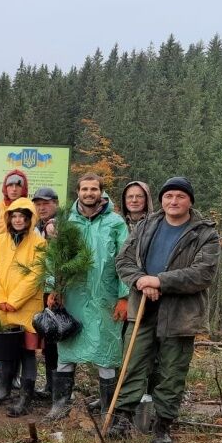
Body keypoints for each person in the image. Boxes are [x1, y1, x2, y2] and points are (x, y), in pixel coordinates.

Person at [111, 177, 220, 443]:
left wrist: (159, 281)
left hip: (181, 314)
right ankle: (123, 417)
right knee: (133, 362)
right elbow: (123, 260)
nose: (173, 201)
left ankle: (163, 424)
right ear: (161, 199)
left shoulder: (204, 233)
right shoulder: (146, 226)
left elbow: (203, 274)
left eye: (180, 197)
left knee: (172, 370)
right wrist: (139, 281)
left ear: (190, 201)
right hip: (143, 308)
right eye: (169, 196)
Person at [46, 174, 130, 421]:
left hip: (105, 298)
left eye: (94, 189)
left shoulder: (116, 223)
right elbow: (55, 257)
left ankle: (108, 409)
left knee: (106, 352)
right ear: (78, 192)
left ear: (102, 193)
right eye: (85, 189)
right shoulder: (67, 222)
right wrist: (54, 287)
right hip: (71, 296)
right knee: (67, 348)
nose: (89, 193)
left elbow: (125, 261)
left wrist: (124, 296)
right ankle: (60, 405)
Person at [0, 198, 47, 416]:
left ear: (30, 219)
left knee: (27, 353)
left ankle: (25, 397)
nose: (18, 220)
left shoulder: (38, 243)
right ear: (9, 218)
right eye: (14, 216)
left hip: (27, 307)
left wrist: (15, 300)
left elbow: (36, 274)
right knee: (6, 351)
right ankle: (4, 390)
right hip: (2, 306)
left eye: (23, 216)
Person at [31, 186, 60, 398]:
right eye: (38, 204)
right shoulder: (37, 227)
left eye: (46, 203)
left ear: (55, 204)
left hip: (56, 291)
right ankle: (51, 385)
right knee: (48, 339)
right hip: (41, 289)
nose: (42, 208)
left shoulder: (58, 227)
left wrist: (57, 288)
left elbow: (62, 260)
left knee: (57, 339)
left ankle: (58, 388)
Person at [0, 169, 29, 237]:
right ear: (5, 188)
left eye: (18, 185)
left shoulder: (30, 210)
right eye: (10, 185)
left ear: (23, 189)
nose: (14, 189)